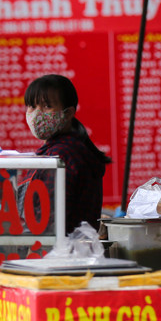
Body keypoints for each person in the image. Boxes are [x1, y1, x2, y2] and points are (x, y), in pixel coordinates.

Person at [18, 74, 110, 233]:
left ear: (68, 113)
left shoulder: (62, 156)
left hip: (60, 253)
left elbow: (51, 222)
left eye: (47, 106)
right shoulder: (60, 150)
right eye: (32, 106)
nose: (36, 114)